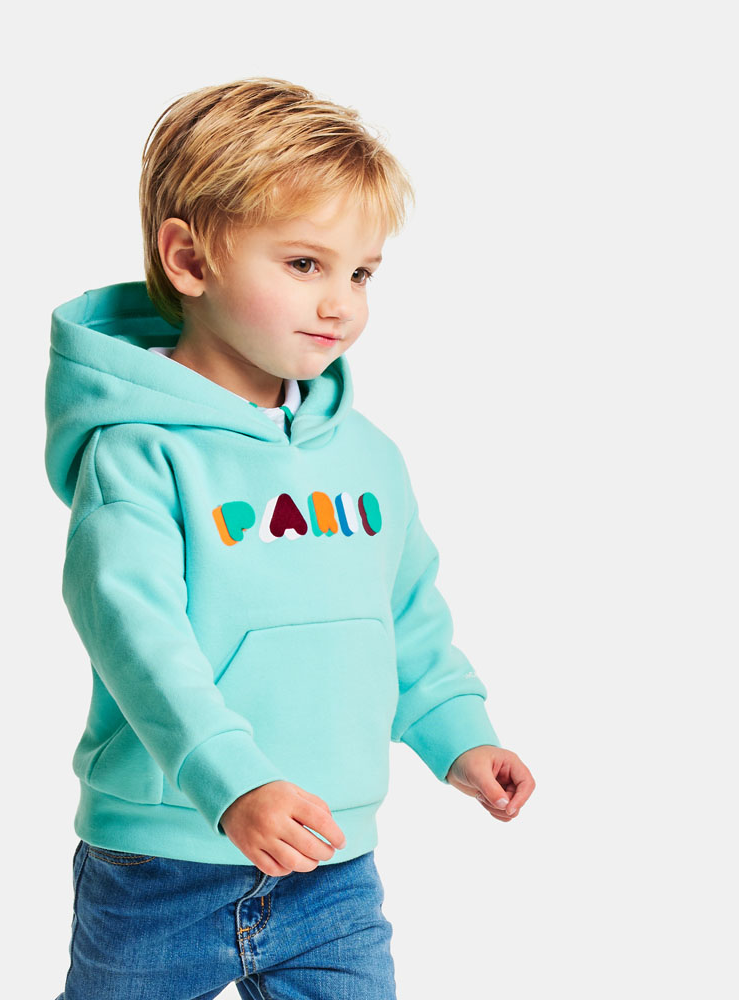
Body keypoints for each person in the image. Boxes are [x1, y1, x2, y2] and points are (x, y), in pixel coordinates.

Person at [44, 77, 535, 1000]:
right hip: (161, 866)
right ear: (189, 260)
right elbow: (139, 645)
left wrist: (457, 733)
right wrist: (230, 782)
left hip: (330, 865)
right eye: (305, 264)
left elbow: (406, 617)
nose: (340, 303)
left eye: (361, 273)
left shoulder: (367, 456)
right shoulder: (139, 455)